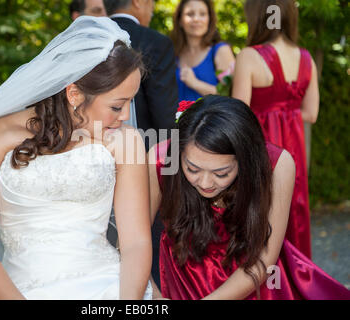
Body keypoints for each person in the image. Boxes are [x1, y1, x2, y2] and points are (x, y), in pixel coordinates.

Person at [0, 17, 153, 300]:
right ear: (74, 94)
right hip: (9, 290)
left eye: (130, 103)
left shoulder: (125, 140)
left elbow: (135, 243)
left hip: (105, 288)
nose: (125, 116)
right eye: (117, 106)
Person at [148, 95, 350, 300]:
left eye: (221, 173)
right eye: (192, 169)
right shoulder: (160, 160)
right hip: (185, 279)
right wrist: (153, 294)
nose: (205, 183)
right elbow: (134, 239)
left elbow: (265, 256)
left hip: (255, 280)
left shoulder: (276, 166)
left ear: (245, 159)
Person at [232, 0, 320, 259]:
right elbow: (311, 114)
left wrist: (267, 116)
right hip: (294, 158)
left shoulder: (250, 56)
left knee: (262, 218)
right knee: (294, 214)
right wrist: (286, 117)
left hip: (262, 154)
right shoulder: (306, 58)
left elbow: (238, 115)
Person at [104, 0, 179, 147]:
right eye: (152, 4)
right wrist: (171, 153)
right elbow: (163, 110)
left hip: (88, 140)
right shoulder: (157, 42)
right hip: (143, 146)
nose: (151, 11)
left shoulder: (89, 38)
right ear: (138, 2)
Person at [171, 0, 235, 101]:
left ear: (209, 19)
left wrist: (195, 83)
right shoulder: (173, 53)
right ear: (180, 21)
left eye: (202, 14)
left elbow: (230, 96)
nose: (196, 19)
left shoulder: (221, 51)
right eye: (190, 14)